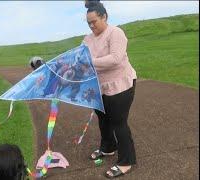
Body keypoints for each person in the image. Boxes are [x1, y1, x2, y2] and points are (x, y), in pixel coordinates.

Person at [82, 0, 137, 178]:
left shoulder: (116, 33)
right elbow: (79, 57)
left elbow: (115, 58)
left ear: (104, 16)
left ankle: (126, 162)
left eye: (94, 22)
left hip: (120, 85)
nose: (91, 26)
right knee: (103, 120)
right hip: (99, 87)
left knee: (118, 123)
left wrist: (89, 62)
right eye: (88, 23)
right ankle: (108, 147)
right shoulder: (88, 39)